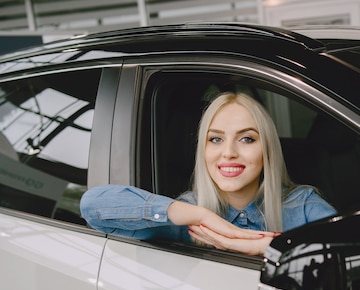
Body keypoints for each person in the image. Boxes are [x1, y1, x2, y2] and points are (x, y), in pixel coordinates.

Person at [80, 91, 336, 256]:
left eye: (246, 139)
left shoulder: (301, 204)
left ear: (267, 149)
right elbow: (93, 206)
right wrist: (201, 214)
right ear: (202, 149)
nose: (228, 153)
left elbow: (355, 254)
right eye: (215, 139)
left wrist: (266, 247)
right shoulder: (187, 214)